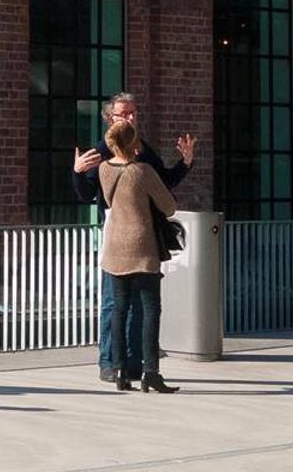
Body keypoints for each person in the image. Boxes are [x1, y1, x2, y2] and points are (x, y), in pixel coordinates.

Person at [69, 92, 197, 382]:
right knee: (118, 304)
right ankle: (112, 363)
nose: (130, 118)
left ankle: (130, 364)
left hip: (133, 240)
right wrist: (77, 173)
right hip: (122, 239)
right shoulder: (101, 153)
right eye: (123, 114)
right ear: (109, 119)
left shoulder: (142, 151)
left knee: (132, 305)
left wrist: (185, 163)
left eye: (133, 113)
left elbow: (165, 180)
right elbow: (88, 194)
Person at [98, 120, 180, 394]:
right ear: (135, 145)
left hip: (115, 248)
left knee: (119, 311)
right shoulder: (142, 171)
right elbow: (169, 206)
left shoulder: (103, 169)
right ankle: (151, 373)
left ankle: (120, 372)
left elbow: (110, 203)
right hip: (142, 248)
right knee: (149, 311)